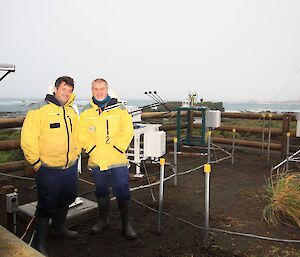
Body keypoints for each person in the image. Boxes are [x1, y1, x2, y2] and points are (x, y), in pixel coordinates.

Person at [21, 76, 80, 256]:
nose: (66, 93)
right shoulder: (39, 110)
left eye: (69, 90)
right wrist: (37, 164)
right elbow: (27, 140)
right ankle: (39, 242)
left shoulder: (71, 111)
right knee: (46, 205)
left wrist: (76, 155)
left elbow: (77, 135)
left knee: (68, 198)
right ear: (55, 89)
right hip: (48, 169)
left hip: (69, 167)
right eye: (63, 89)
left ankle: (58, 228)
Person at [79, 78, 137, 240]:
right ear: (92, 90)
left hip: (117, 159)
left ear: (107, 89)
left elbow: (127, 130)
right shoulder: (86, 111)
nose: (99, 91)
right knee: (101, 191)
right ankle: (104, 220)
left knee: (122, 191)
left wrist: (118, 148)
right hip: (97, 160)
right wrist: (91, 149)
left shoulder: (120, 109)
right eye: (95, 89)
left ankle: (126, 224)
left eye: (102, 88)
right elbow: (81, 134)